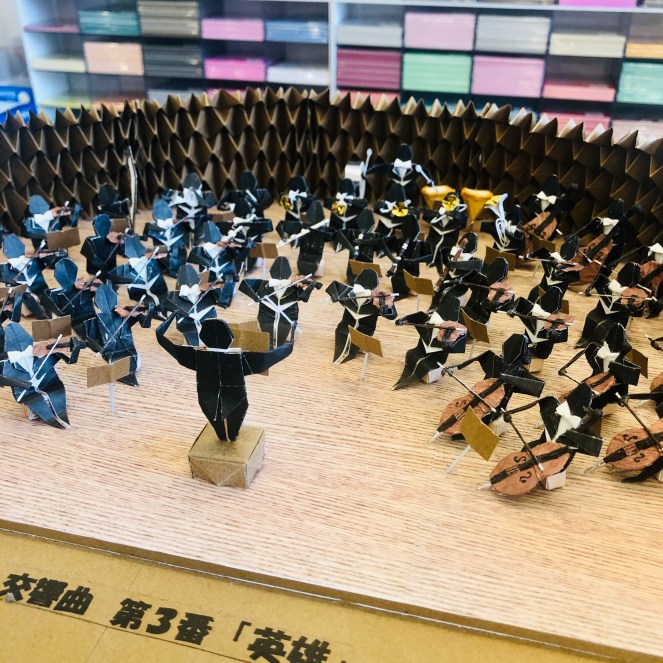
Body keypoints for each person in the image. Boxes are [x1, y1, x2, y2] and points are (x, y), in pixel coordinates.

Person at [156, 315, 294, 441]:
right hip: (234, 395)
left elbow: (167, 343)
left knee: (214, 417)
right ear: (230, 337)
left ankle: (222, 435)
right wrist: (290, 340)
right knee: (235, 418)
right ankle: (231, 435)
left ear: (203, 336)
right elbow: (269, 358)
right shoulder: (238, 356)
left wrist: (169, 320)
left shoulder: (197, 355)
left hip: (207, 394)